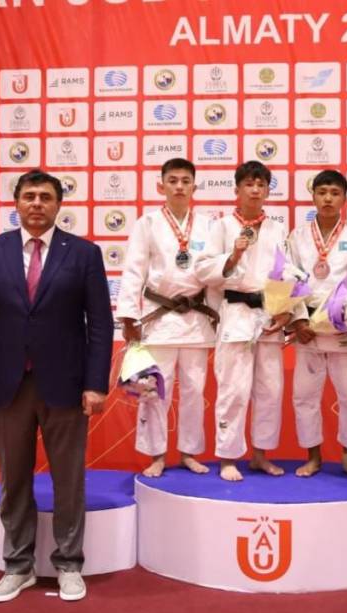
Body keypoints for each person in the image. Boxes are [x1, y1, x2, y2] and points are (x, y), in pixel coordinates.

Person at [0, 169, 114, 603]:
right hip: (7, 384)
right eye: (29, 196)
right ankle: (18, 566)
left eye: (46, 196)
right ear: (17, 203)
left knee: (69, 480)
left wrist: (96, 383)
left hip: (67, 384)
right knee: (14, 481)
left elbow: (100, 325)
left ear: (59, 204)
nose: (37, 203)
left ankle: (69, 564)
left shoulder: (83, 254)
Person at [117, 158, 218, 478]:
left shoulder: (209, 226)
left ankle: (188, 452)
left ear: (194, 186)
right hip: (158, 319)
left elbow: (214, 275)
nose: (179, 186)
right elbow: (134, 271)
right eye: (172, 180)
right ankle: (156, 455)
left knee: (194, 391)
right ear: (161, 186)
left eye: (185, 181)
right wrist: (129, 317)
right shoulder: (147, 224)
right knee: (154, 390)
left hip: (196, 319)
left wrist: (219, 315)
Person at [195, 161, 293, 481]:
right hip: (236, 312)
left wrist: (286, 310)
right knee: (233, 389)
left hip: (268, 314)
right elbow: (203, 270)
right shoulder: (222, 226)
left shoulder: (277, 228)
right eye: (249, 184)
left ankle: (261, 455)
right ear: (237, 189)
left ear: (267, 191)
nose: (255, 190)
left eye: (261, 185)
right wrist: (234, 255)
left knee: (270, 389)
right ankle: (227, 456)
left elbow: (286, 271)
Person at [286, 170, 347, 478]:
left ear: (344, 198)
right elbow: (289, 279)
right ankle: (313, 456)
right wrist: (298, 321)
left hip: (344, 328)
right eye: (322, 192)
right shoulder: (297, 236)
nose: (328, 198)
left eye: (334, 193)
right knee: (304, 396)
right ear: (313, 197)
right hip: (308, 328)